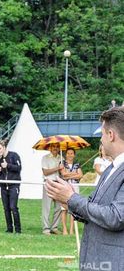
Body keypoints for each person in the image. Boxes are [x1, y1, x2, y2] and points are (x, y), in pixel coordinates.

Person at [47, 106, 124, 271]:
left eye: (102, 134)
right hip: (96, 260)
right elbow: (96, 209)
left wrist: (72, 198)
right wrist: (68, 202)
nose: (101, 140)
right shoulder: (111, 168)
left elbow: (116, 217)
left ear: (111, 135)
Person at [0, 139, 22, 234]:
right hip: (4, 187)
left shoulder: (14, 155)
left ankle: (18, 230)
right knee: (6, 208)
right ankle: (9, 228)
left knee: (13, 207)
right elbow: (2, 175)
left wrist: (8, 165)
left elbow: (19, 168)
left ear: (4, 147)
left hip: (14, 186)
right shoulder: (0, 160)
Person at [59, 148, 83, 235]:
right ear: (66, 154)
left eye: (72, 153)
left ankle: (72, 229)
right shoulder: (62, 163)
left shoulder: (77, 164)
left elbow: (80, 175)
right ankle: (65, 229)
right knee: (64, 209)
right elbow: (63, 175)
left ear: (74, 155)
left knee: (73, 208)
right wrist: (74, 174)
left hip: (75, 187)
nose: (70, 155)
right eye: (68, 153)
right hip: (65, 186)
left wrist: (69, 174)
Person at [40, 143, 63, 235]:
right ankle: (46, 228)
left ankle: (54, 227)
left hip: (58, 183)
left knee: (59, 207)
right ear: (50, 148)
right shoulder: (45, 158)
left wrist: (62, 169)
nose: (55, 148)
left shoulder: (61, 158)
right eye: (53, 147)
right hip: (49, 182)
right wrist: (57, 167)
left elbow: (62, 173)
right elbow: (45, 172)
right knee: (47, 206)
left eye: (57, 147)